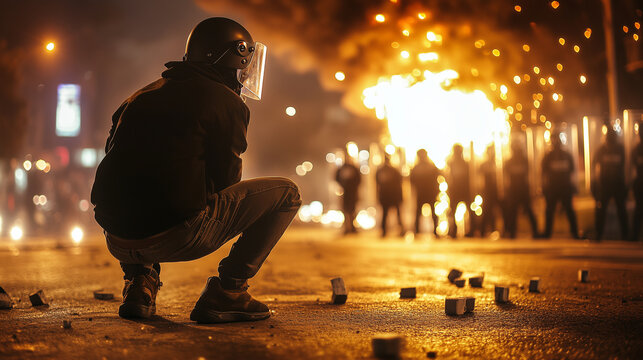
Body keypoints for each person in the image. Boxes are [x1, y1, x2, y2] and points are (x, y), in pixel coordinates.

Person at [90, 18, 301, 323]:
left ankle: (140, 285)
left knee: (140, 191)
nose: (246, 73)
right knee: (288, 193)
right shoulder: (226, 101)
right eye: (245, 62)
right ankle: (230, 293)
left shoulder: (137, 98)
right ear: (231, 56)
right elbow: (227, 182)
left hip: (118, 240)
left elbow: (118, 167)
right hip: (177, 236)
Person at [541, 132, 579, 239]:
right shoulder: (548, 156)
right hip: (553, 188)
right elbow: (543, 173)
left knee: (569, 210)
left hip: (564, 187)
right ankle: (547, 233)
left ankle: (574, 232)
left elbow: (572, 171)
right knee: (550, 211)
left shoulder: (566, 155)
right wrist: (544, 187)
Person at [591, 129, 628, 240]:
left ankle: (625, 234)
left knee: (621, 209)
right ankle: (599, 234)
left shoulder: (620, 149)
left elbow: (625, 167)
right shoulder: (601, 150)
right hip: (605, 184)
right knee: (601, 210)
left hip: (617, 184)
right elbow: (594, 167)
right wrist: (594, 184)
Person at [504, 142, 539, 238]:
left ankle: (535, 231)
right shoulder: (509, 162)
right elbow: (505, 177)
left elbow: (530, 175)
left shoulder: (524, 160)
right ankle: (512, 232)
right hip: (514, 190)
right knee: (513, 212)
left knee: (528, 211)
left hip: (523, 189)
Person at [410, 149, 440, 236]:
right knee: (431, 213)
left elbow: (412, 181)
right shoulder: (431, 166)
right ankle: (433, 231)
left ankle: (417, 231)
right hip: (429, 193)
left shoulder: (416, 167)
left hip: (423, 193)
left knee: (419, 212)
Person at [375, 155, 404, 237]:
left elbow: (377, 185)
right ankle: (400, 230)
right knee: (395, 214)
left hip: (386, 196)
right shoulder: (393, 170)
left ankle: (384, 231)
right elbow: (399, 184)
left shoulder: (381, 171)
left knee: (386, 214)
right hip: (392, 196)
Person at [447, 144, 472, 237]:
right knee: (454, 211)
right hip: (457, 190)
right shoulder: (453, 163)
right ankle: (454, 230)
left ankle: (459, 231)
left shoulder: (464, 164)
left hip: (462, 190)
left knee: (466, 211)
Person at [478, 145, 503, 236]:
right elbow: (479, 179)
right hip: (487, 191)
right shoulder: (484, 165)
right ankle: (482, 231)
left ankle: (501, 230)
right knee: (486, 211)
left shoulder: (499, 163)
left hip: (497, 191)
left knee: (500, 211)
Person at [335, 154, 361, 234]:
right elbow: (336, 178)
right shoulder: (342, 168)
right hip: (345, 192)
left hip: (352, 192)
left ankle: (353, 228)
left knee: (352, 210)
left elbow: (359, 179)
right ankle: (347, 227)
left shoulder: (353, 168)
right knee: (346, 210)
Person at [631, 128, 643, 241]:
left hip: (639, 183)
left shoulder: (636, 150)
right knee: (638, 210)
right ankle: (634, 236)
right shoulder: (636, 150)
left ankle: (635, 236)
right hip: (639, 184)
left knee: (638, 211)